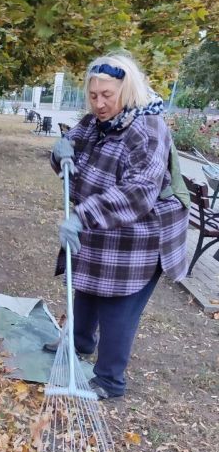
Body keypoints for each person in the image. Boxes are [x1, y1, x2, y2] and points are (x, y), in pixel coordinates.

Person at [48, 51, 189, 400]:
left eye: (107, 95)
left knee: (117, 306)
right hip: (104, 225)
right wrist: (60, 152)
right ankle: (79, 344)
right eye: (93, 95)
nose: (99, 103)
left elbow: (139, 191)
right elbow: (73, 146)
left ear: (126, 90)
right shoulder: (95, 122)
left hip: (142, 232)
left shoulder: (148, 129)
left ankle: (110, 380)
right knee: (86, 285)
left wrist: (82, 215)